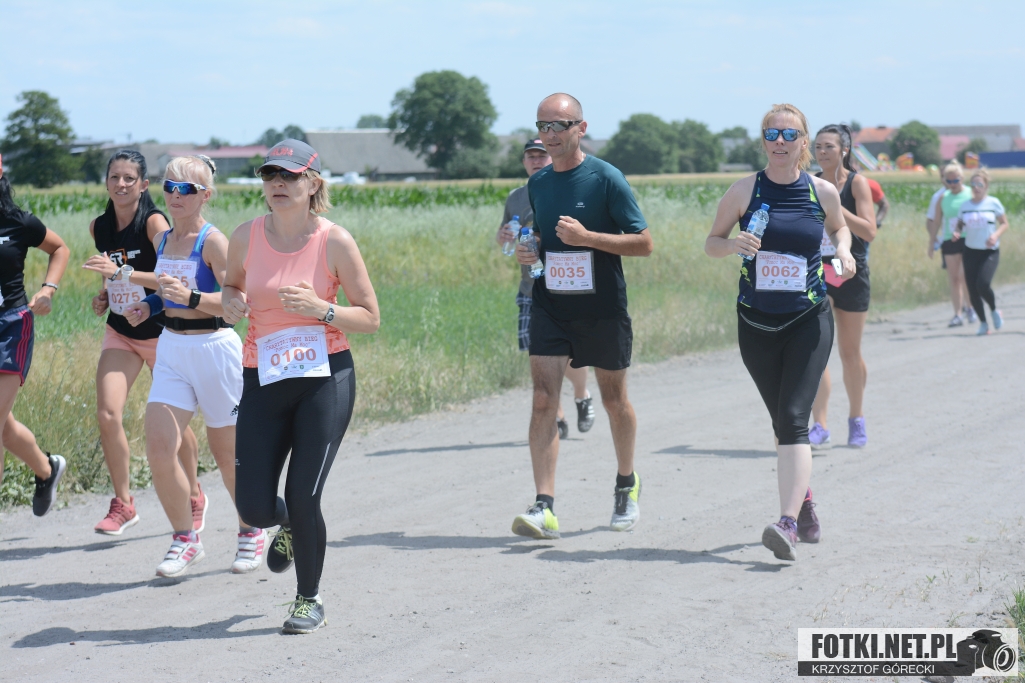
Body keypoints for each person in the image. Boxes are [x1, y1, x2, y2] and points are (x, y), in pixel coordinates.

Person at [223, 139, 380, 634]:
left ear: (313, 184)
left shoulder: (335, 241)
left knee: (303, 493)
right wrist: (229, 300)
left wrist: (322, 309)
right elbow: (231, 284)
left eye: (289, 176)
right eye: (270, 175)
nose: (278, 183)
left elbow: (371, 317)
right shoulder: (246, 236)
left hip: (324, 378)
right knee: (253, 507)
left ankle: (308, 598)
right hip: (263, 376)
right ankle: (286, 523)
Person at [704, 104, 855, 561]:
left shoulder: (821, 191)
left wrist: (844, 253)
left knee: (793, 418)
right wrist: (732, 244)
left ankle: (786, 524)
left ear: (803, 141)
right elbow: (712, 243)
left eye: (790, 134)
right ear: (763, 141)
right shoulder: (744, 190)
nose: (780, 142)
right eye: (772, 134)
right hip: (756, 321)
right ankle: (803, 501)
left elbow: (840, 229)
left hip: (808, 318)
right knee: (781, 422)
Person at [511, 94, 652, 540]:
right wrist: (530, 249)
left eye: (560, 125)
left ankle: (627, 484)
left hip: (602, 309)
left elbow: (644, 242)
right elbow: (541, 236)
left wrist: (589, 237)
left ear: (581, 128)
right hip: (551, 305)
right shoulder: (539, 182)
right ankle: (544, 506)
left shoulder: (606, 177)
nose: (550, 135)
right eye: (543, 126)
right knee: (543, 400)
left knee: (613, 401)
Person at [123, 156, 263, 577]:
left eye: (185, 189)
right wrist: (149, 306)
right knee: (158, 447)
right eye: (169, 187)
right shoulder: (163, 239)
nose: (174, 195)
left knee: (227, 455)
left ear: (205, 196)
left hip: (215, 350)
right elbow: (167, 291)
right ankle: (185, 539)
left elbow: (237, 302)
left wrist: (191, 299)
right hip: (172, 349)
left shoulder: (214, 242)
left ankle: (250, 529)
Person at [83, 150, 201, 536]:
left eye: (129, 179)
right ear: (106, 182)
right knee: (108, 413)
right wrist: (105, 294)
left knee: (173, 422)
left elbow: (169, 278)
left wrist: (122, 274)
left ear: (144, 185)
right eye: (114, 177)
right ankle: (124, 504)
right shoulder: (99, 226)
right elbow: (111, 275)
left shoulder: (154, 223)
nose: (121, 184)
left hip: (160, 332)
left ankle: (194, 493)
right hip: (121, 331)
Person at [496, 138, 594, 439]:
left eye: (542, 155)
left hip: (567, 286)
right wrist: (504, 237)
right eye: (531, 157)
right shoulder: (516, 197)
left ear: (552, 158)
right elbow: (506, 235)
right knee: (538, 354)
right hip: (531, 287)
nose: (537, 161)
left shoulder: (568, 190)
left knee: (571, 355)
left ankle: (582, 395)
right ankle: (557, 415)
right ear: (524, 162)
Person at [0, 154, 70, 516]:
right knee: (4, 427)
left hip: (11, 325)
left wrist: (48, 288)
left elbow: (60, 248)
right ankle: (47, 469)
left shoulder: (17, 221)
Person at [808, 124, 877, 449]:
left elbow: (869, 231)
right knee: (814, 350)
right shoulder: (808, 183)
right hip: (816, 270)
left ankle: (856, 418)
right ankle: (819, 424)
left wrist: (836, 207)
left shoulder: (856, 183)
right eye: (818, 146)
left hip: (848, 269)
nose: (822, 152)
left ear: (844, 150)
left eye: (829, 146)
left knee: (849, 352)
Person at [955, 168, 1008, 335]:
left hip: (989, 251)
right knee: (972, 289)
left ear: (986, 186)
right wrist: (957, 232)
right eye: (973, 184)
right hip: (970, 250)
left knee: (983, 284)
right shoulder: (965, 206)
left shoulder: (993, 203)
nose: (976, 188)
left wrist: (995, 235)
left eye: (980, 184)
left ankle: (994, 310)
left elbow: (1004, 223)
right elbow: (960, 223)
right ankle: (984, 324)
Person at [929, 162, 975, 327]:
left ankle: (971, 307)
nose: (953, 184)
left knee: (964, 275)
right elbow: (936, 221)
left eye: (956, 181)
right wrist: (931, 242)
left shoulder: (970, 194)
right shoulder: (943, 197)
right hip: (949, 240)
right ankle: (958, 313)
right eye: (949, 181)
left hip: (968, 239)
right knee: (954, 278)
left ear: (962, 178)